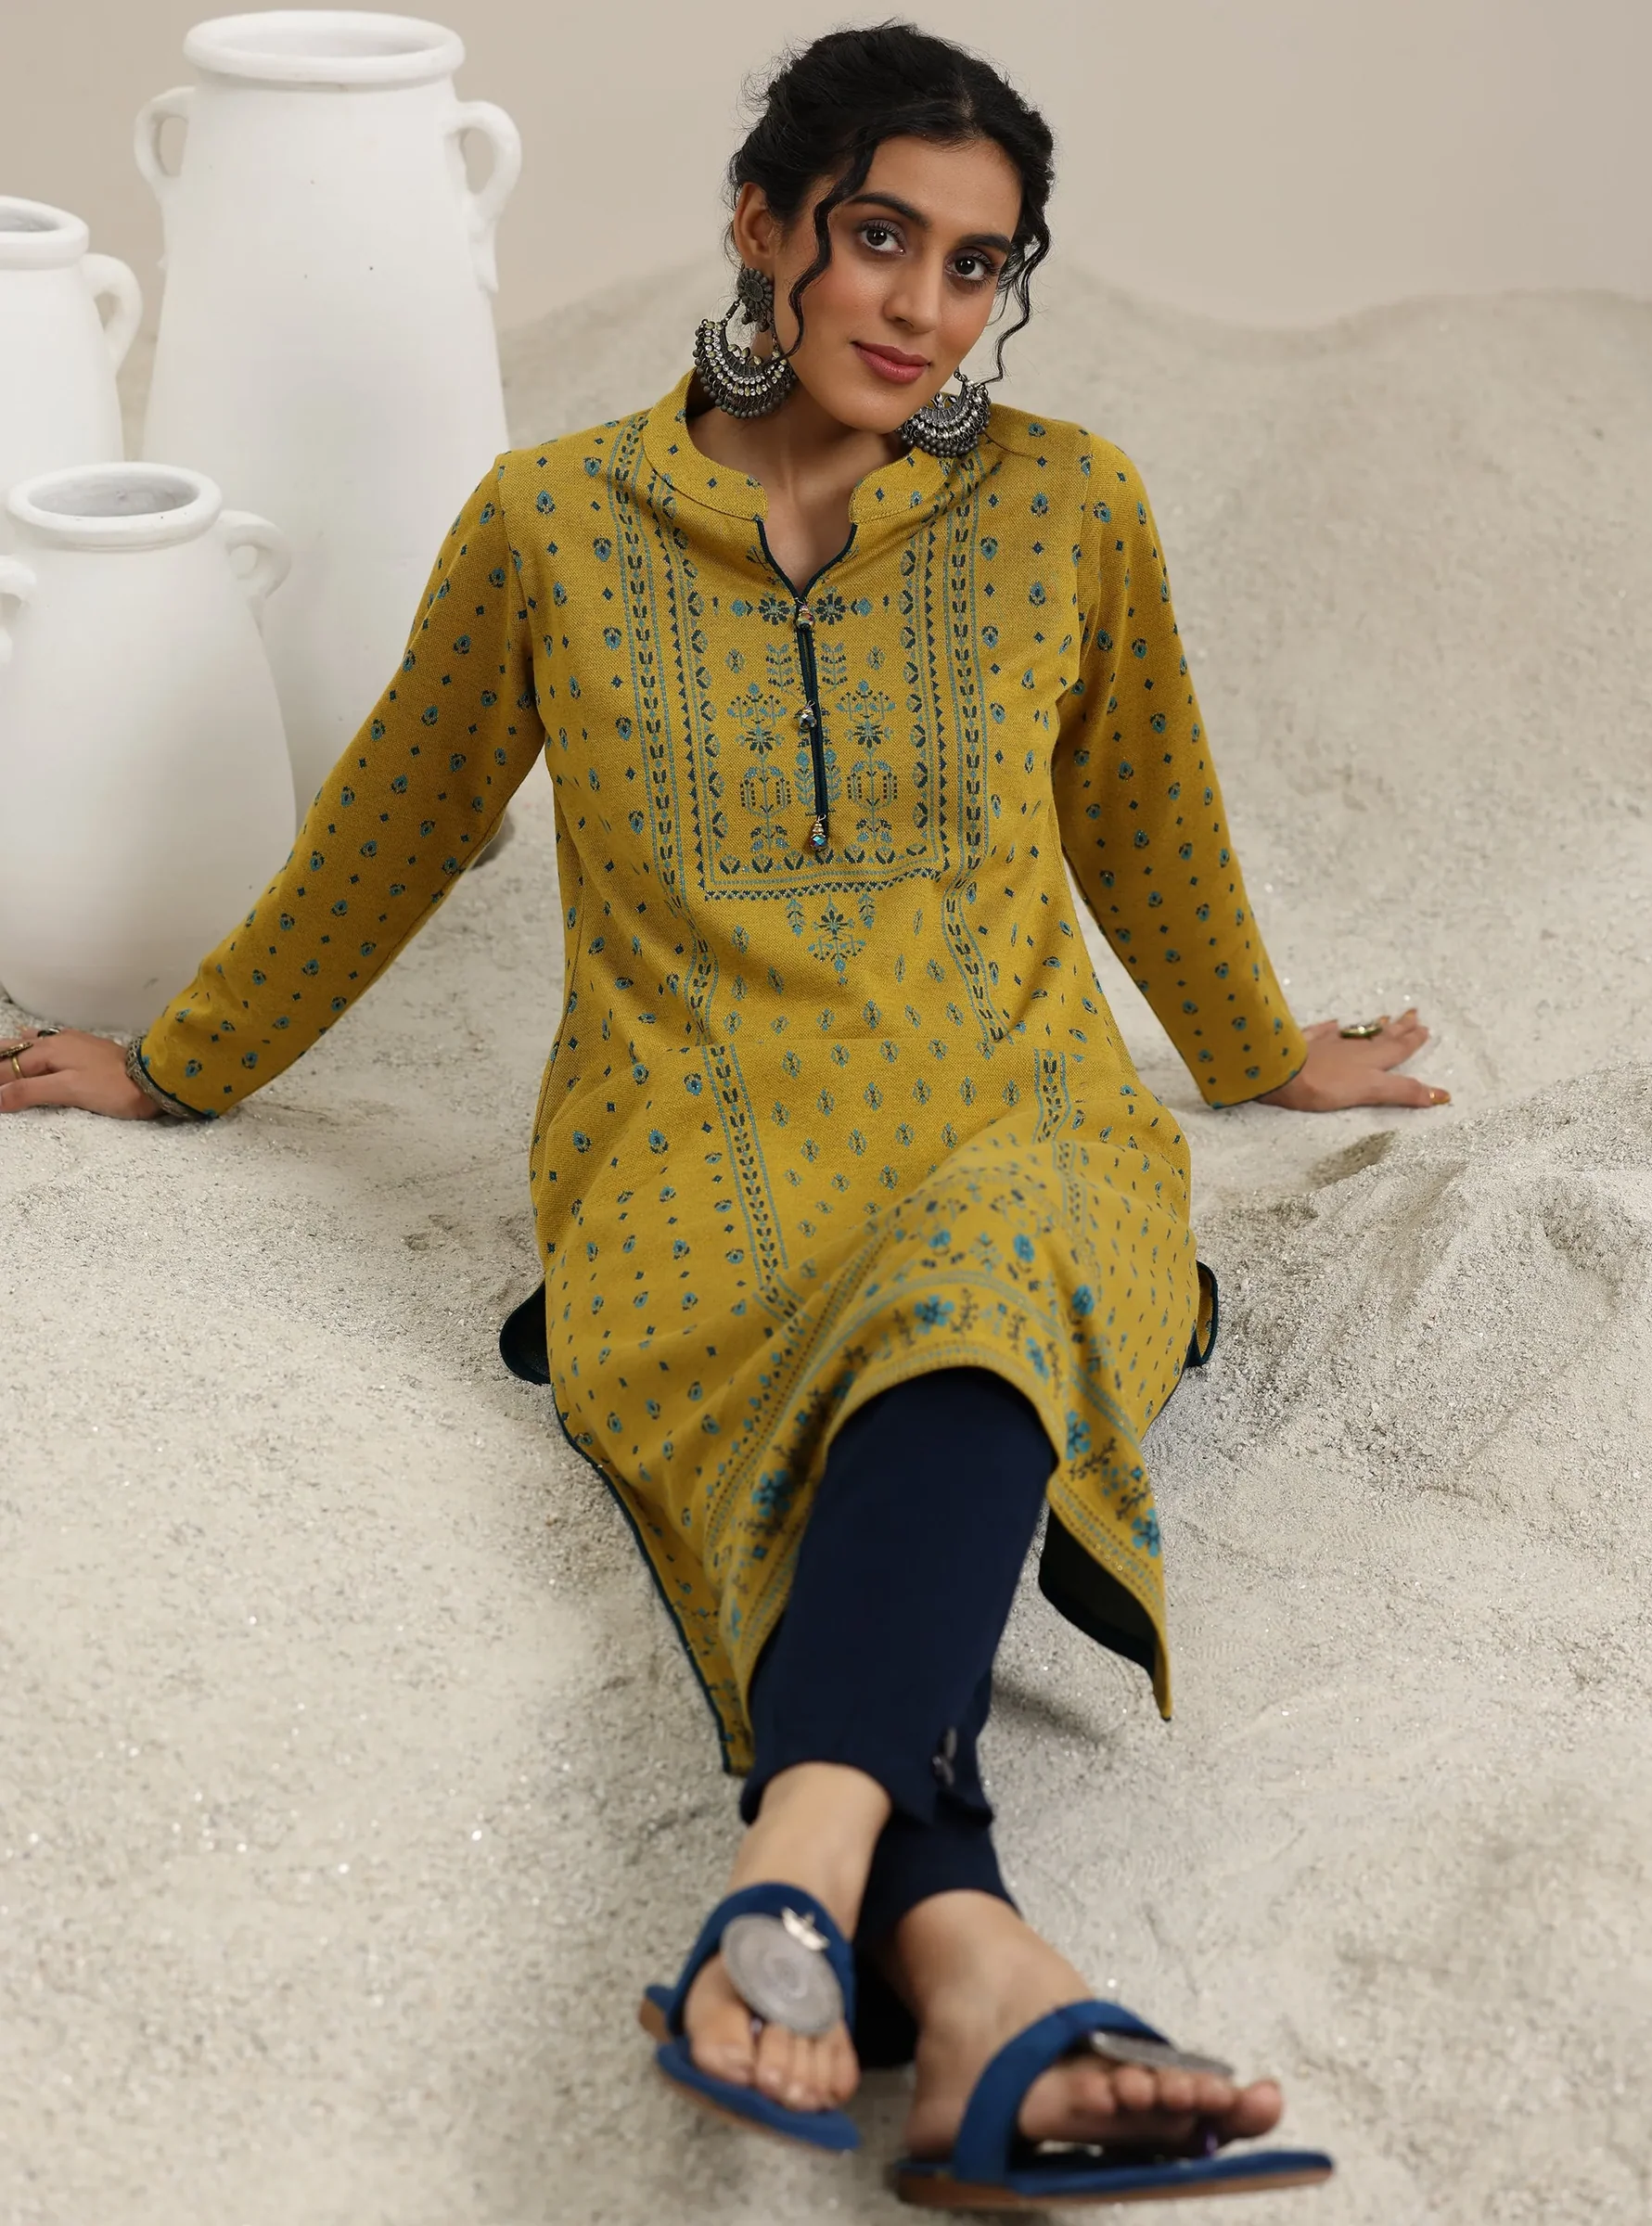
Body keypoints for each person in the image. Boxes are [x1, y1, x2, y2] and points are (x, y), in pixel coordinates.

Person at [0, 23, 1443, 2208]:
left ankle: (796, 1884)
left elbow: (1145, 816)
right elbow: (396, 820)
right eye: (879, 237)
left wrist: (1259, 1051)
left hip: (1023, 1113)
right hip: (688, 1145)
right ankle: (978, 1978)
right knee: (827, 1428)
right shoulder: (553, 525)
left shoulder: (1071, 505)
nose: (923, 305)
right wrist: (181, 1060)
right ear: (765, 228)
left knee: (981, 1286)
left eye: (977, 265)